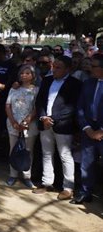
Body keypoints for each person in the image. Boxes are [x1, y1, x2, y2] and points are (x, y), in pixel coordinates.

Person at [34, 56, 81, 200]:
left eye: (58, 67)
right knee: (46, 154)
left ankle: (68, 187)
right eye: (54, 66)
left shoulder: (75, 84)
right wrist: (43, 117)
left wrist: (53, 119)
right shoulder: (47, 80)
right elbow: (40, 101)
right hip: (44, 123)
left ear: (67, 69)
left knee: (65, 156)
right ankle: (47, 182)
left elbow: (72, 107)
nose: (54, 69)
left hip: (63, 126)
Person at [74, 53, 103, 204]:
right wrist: (87, 128)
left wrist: (101, 131)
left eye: (94, 66)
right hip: (88, 131)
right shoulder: (88, 83)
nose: (90, 69)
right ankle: (85, 192)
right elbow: (80, 107)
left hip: (101, 132)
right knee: (86, 163)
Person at [4, 65, 38, 188]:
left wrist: (28, 120)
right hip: (13, 123)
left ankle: (26, 176)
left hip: (29, 125)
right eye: (22, 73)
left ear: (33, 75)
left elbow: (36, 107)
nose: (24, 75)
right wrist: (13, 121)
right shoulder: (14, 88)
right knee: (13, 149)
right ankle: (13, 175)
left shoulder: (36, 90)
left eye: (27, 73)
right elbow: (8, 105)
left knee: (28, 151)